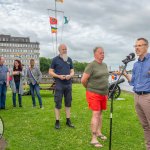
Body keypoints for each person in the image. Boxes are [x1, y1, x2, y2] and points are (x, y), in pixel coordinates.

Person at [122, 38, 150, 150]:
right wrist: (124, 74)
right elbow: (133, 82)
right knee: (145, 126)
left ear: (146, 46)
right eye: (135, 46)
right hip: (136, 97)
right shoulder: (136, 65)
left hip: (147, 97)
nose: (136, 48)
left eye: (139, 45)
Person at [81, 47, 109, 148]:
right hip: (93, 93)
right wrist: (89, 88)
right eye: (100, 53)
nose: (103, 54)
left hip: (103, 93)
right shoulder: (91, 65)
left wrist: (106, 91)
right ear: (95, 54)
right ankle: (93, 138)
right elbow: (83, 80)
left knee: (100, 113)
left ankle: (98, 132)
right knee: (96, 113)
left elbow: (105, 78)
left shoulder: (105, 65)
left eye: (103, 53)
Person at [49, 44, 75, 129]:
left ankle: (68, 120)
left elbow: (72, 71)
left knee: (68, 103)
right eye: (63, 49)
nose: (65, 51)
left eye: (66, 49)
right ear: (59, 50)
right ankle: (57, 121)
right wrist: (58, 76)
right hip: (59, 84)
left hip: (68, 84)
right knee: (58, 103)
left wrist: (70, 76)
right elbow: (50, 72)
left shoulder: (69, 59)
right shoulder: (55, 60)